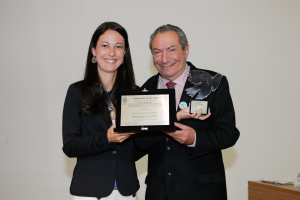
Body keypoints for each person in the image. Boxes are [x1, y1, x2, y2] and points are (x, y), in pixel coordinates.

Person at [136, 24, 240, 200]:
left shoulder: (213, 82)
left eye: (171, 50)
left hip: (202, 191)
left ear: (186, 50)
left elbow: (229, 133)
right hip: (159, 191)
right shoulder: (146, 89)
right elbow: (139, 143)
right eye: (157, 52)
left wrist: (195, 139)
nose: (164, 58)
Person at [62, 22, 145, 200]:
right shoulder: (77, 91)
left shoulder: (135, 94)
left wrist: (171, 118)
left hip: (127, 192)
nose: (112, 53)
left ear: (125, 53)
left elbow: (139, 147)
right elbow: (70, 146)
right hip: (90, 192)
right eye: (105, 46)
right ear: (93, 50)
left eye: (118, 47)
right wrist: (107, 138)